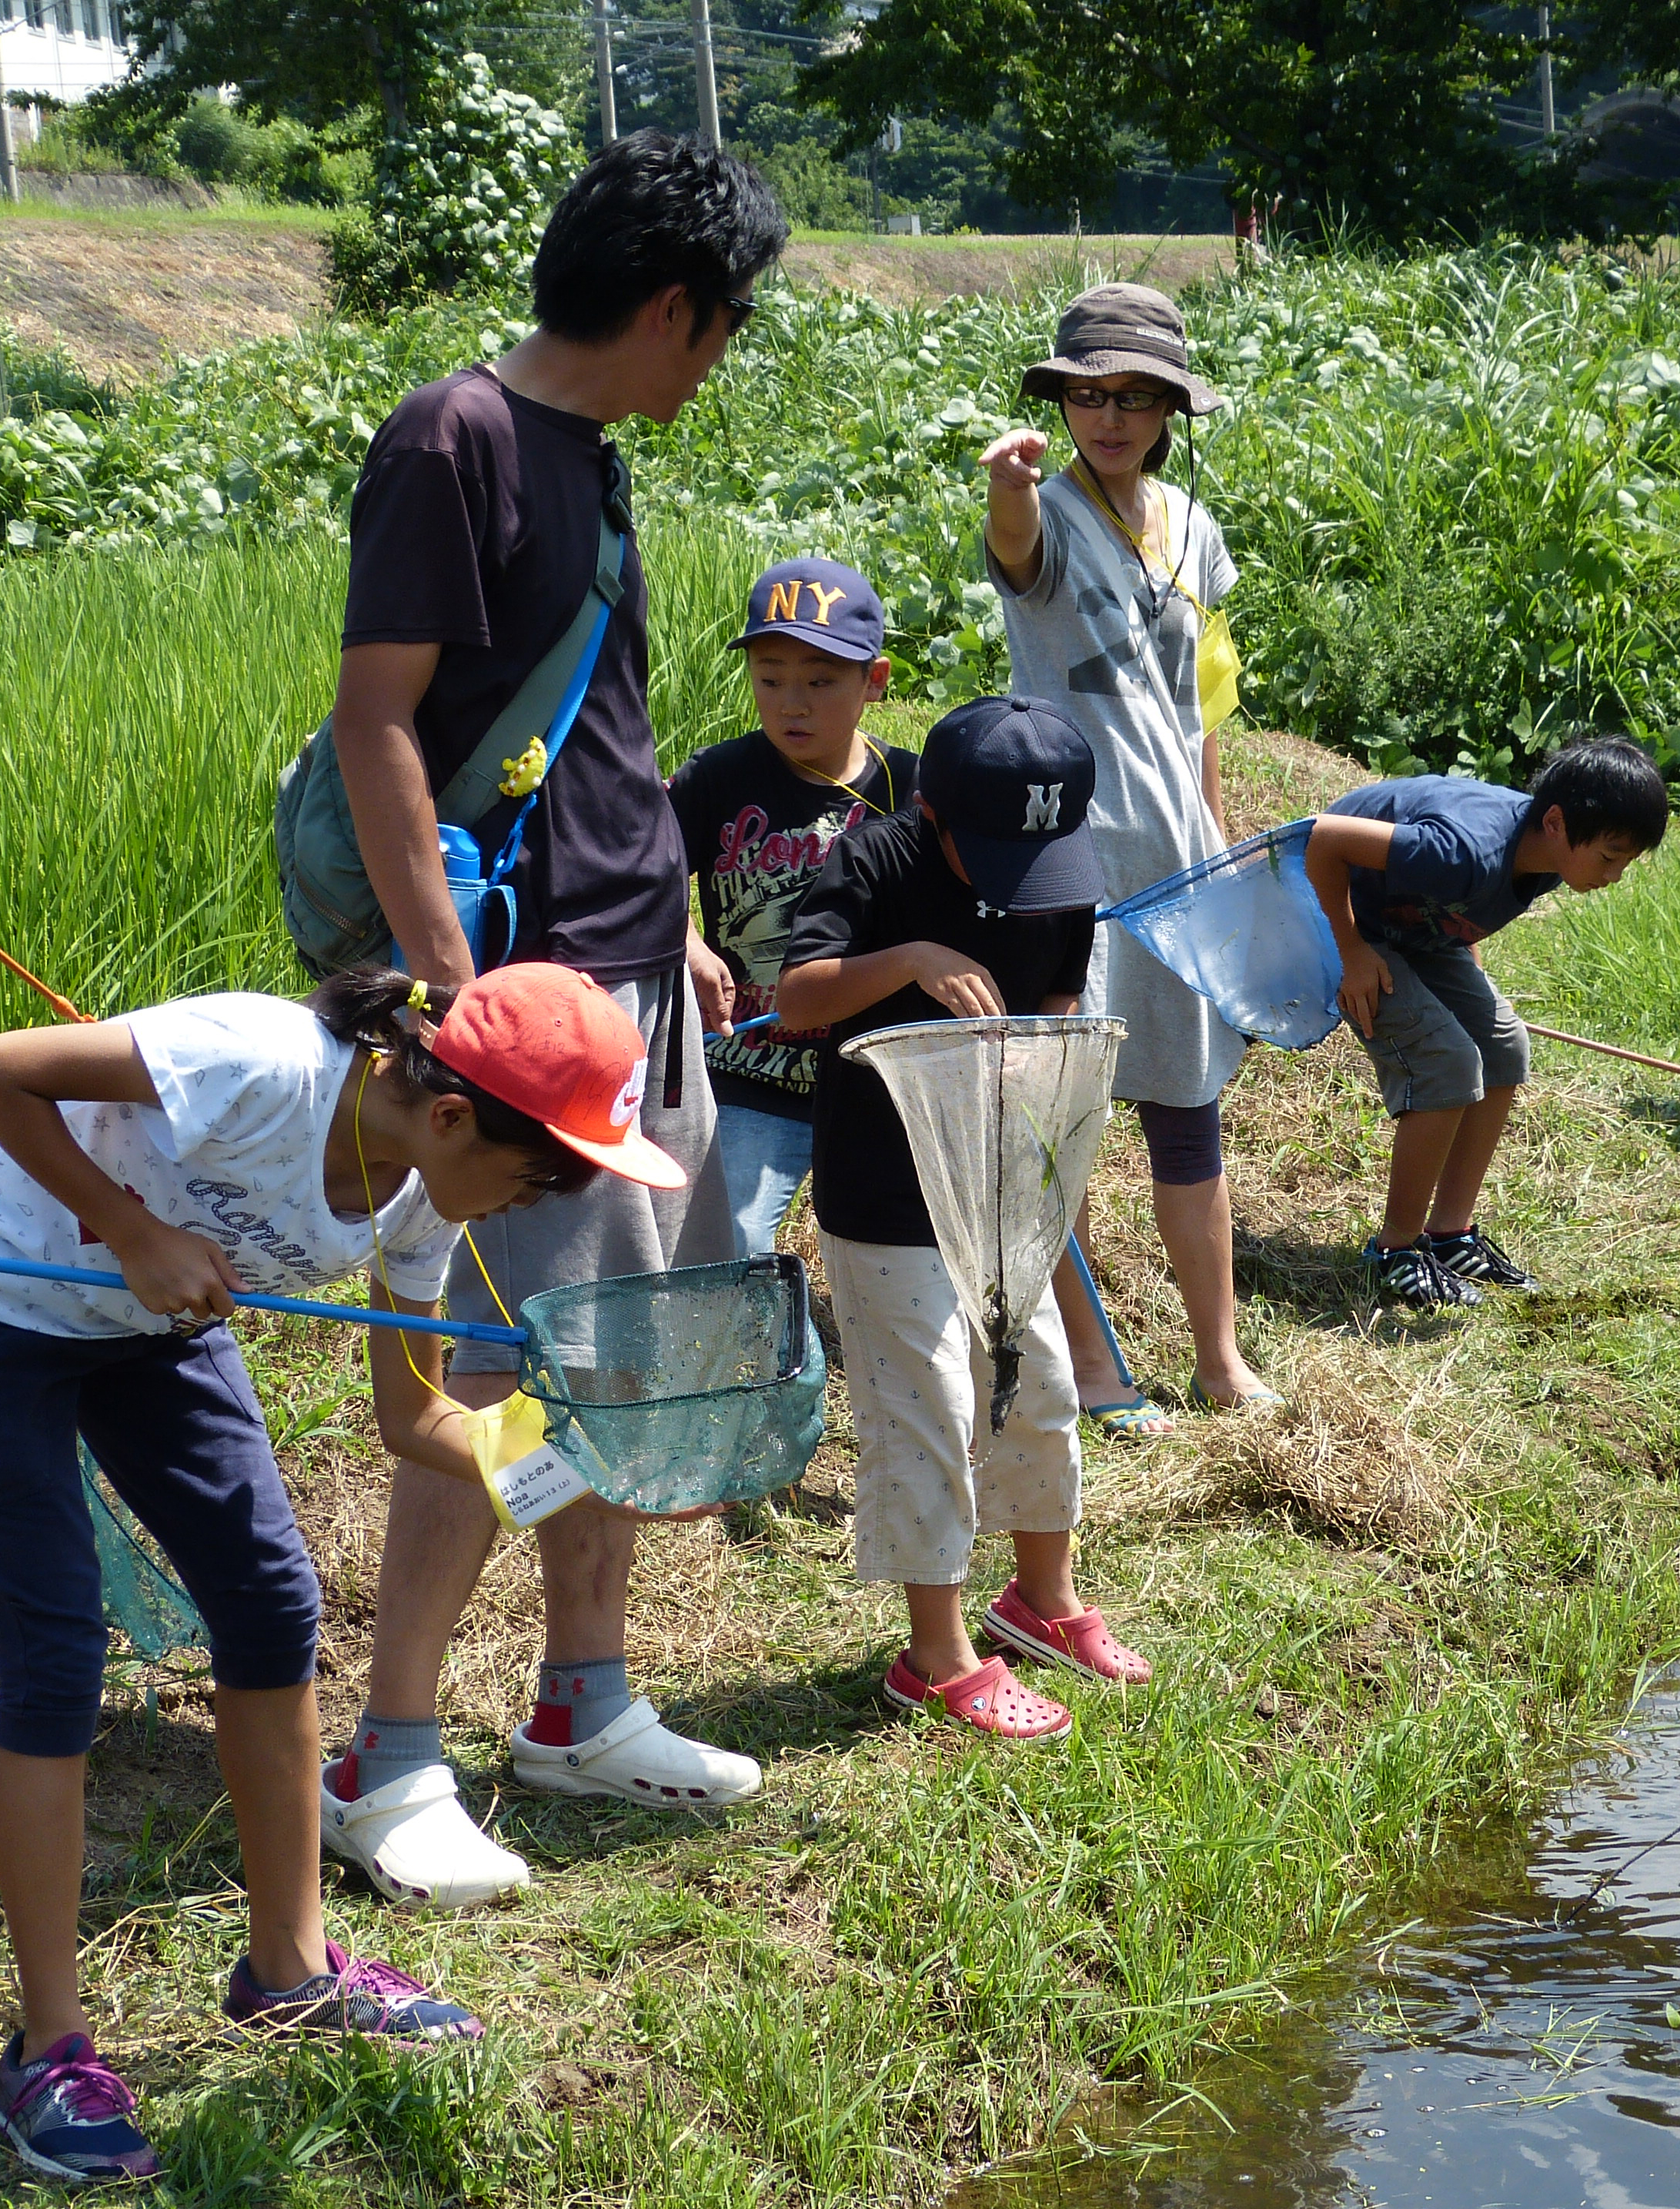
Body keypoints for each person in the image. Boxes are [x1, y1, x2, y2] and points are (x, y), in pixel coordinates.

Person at [0, 961, 683, 2181]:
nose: (532, 1202)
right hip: (7, 1292)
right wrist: (132, 1229)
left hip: (149, 1332)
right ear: (448, 1116)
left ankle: (291, 1971)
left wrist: (583, 1455)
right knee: (56, 1658)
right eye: (538, 1175)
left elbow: (417, 1420)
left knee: (273, 1605)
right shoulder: (256, 1064)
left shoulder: (426, 1197)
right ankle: (47, 2052)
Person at [317, 132, 785, 1910]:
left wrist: (669, 916)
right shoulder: (457, 439)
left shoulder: (590, 459)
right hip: (520, 1002)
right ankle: (392, 1752)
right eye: (721, 328)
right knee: (484, 1379)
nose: (715, 362)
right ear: (672, 305)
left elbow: (602, 736)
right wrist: (460, 990)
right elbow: (379, 722)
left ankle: (583, 1700)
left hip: (634, 977)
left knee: (610, 1361)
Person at [775, 696, 1143, 1737]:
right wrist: (908, 963)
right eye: (992, 853)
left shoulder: (1059, 880)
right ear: (934, 815)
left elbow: (1061, 1008)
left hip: (1001, 1185)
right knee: (926, 1409)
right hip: (884, 1195)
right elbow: (798, 998)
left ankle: (1043, 1602)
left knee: (1043, 1384)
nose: (1019, 884)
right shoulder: (875, 862)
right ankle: (933, 1658)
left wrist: (1045, 1073)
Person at [980, 282, 1271, 1440]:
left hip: (1177, 864)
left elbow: (1197, 702)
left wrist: (1214, 838)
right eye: (1089, 395)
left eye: (1135, 398)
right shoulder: (1044, 515)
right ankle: (1093, 1367)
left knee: (1188, 1117)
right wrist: (1006, 486)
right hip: (1069, 867)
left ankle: (1220, 1357)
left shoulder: (1192, 527)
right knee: (1067, 1132)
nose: (1110, 418)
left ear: (1167, 409)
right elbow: (1016, 546)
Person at [1302, 737, 1671, 1311]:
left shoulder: (1545, 858)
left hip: (1411, 933)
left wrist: (1469, 978)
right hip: (1327, 913)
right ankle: (1395, 1249)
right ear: (1556, 821)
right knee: (1448, 1058)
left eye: (1626, 861)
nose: (1616, 875)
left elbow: (1461, 910)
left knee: (1502, 1045)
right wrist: (1350, 952)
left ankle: (1450, 1235)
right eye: (1609, 856)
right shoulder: (1463, 851)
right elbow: (1324, 840)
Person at [672, 556, 917, 1258]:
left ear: (874, 681)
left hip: (876, 1076)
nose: (792, 702)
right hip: (750, 1071)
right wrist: (688, 941)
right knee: (729, 1239)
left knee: (903, 1249)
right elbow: (643, 877)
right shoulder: (716, 777)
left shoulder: (912, 787)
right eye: (770, 678)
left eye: (820, 680)